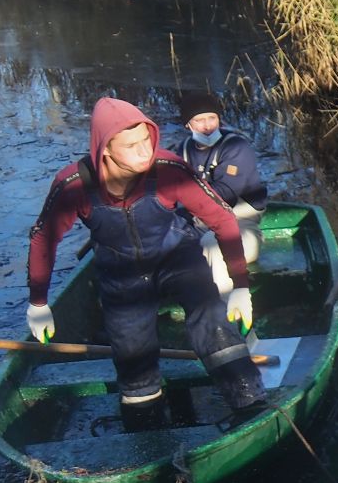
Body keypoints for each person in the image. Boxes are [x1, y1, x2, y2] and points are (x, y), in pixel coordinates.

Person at [25, 97, 264, 423]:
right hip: (121, 275)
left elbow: (222, 219)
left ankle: (249, 402)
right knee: (133, 359)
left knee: (211, 319)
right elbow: (43, 238)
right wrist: (38, 303)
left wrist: (240, 286)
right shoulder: (73, 186)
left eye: (146, 140)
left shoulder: (169, 169)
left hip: (177, 258)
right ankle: (146, 431)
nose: (145, 151)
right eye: (132, 145)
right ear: (105, 150)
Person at [176, 88, 268, 292]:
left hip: (240, 223)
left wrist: (184, 204)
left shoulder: (236, 147)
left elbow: (225, 194)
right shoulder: (182, 150)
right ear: (188, 124)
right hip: (199, 220)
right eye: (199, 120)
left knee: (212, 245)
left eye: (212, 118)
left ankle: (227, 310)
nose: (207, 126)